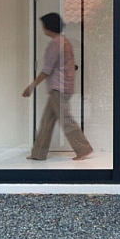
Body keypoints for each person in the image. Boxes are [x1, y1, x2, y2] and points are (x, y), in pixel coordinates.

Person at [23, 12, 93, 161]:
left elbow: (47, 70)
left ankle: (83, 148)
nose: (42, 29)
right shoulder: (64, 42)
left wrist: (31, 86)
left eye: (43, 25)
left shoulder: (56, 44)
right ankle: (38, 153)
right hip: (63, 87)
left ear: (48, 27)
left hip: (59, 88)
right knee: (47, 121)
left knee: (65, 120)